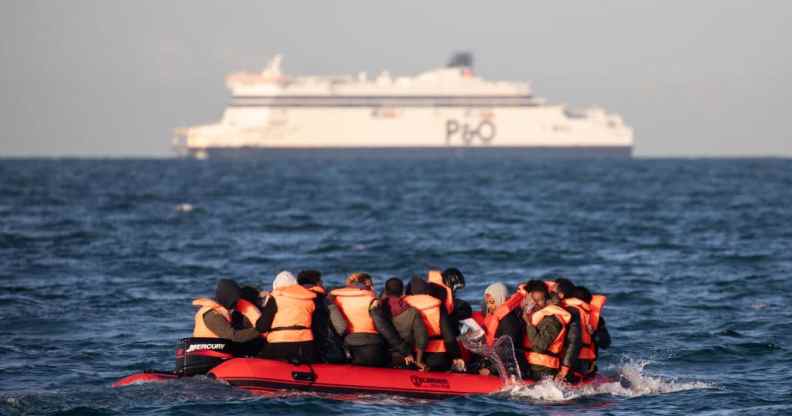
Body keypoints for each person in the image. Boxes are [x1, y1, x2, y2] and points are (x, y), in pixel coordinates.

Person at [404, 277, 465, 372]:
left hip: (412, 355)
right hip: (438, 356)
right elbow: (448, 335)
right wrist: (456, 356)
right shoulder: (437, 306)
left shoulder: (403, 305)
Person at [256, 271, 318, 363]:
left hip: (278, 345)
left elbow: (262, 327)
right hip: (306, 345)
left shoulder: (275, 298)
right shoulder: (310, 298)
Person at [328, 273, 388, 367]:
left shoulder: (337, 299)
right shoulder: (372, 301)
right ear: (365, 284)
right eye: (370, 284)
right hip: (371, 341)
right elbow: (382, 326)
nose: (372, 287)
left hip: (347, 341)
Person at [371, 277, 428, 370]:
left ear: (385, 291)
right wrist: (419, 361)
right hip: (405, 357)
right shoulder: (412, 312)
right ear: (402, 292)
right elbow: (422, 338)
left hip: (381, 355)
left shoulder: (377, 309)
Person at [473, 282, 529, 377]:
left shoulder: (508, 319)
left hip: (511, 367)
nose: (489, 306)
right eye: (488, 303)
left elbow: (510, 350)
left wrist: (490, 370)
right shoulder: (496, 316)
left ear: (500, 299)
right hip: (498, 362)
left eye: (492, 302)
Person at [522, 280, 573, 381]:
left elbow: (541, 344)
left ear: (547, 300)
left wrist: (529, 324)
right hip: (530, 365)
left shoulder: (552, 320)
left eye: (539, 300)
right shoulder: (532, 314)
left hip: (543, 370)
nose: (535, 304)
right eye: (533, 300)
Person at [297, 270, 347, 363]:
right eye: (321, 282)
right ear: (317, 283)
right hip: (322, 348)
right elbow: (341, 327)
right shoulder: (325, 301)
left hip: (297, 346)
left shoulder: (292, 299)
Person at [192, 278, 261, 343]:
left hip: (220, 347)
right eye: (235, 299)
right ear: (228, 298)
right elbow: (232, 337)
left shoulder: (223, 311)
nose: (237, 302)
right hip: (207, 350)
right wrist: (260, 329)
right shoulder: (212, 315)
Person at [570, 286, 610, 377]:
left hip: (581, 366)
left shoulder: (596, 320)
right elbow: (606, 344)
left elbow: (605, 342)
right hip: (578, 365)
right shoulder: (563, 314)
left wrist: (593, 333)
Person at [551, 278, 582, 382]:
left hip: (573, 365)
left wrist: (565, 368)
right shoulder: (557, 308)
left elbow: (574, 341)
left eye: (553, 291)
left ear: (561, 295)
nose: (549, 292)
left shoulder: (572, 313)